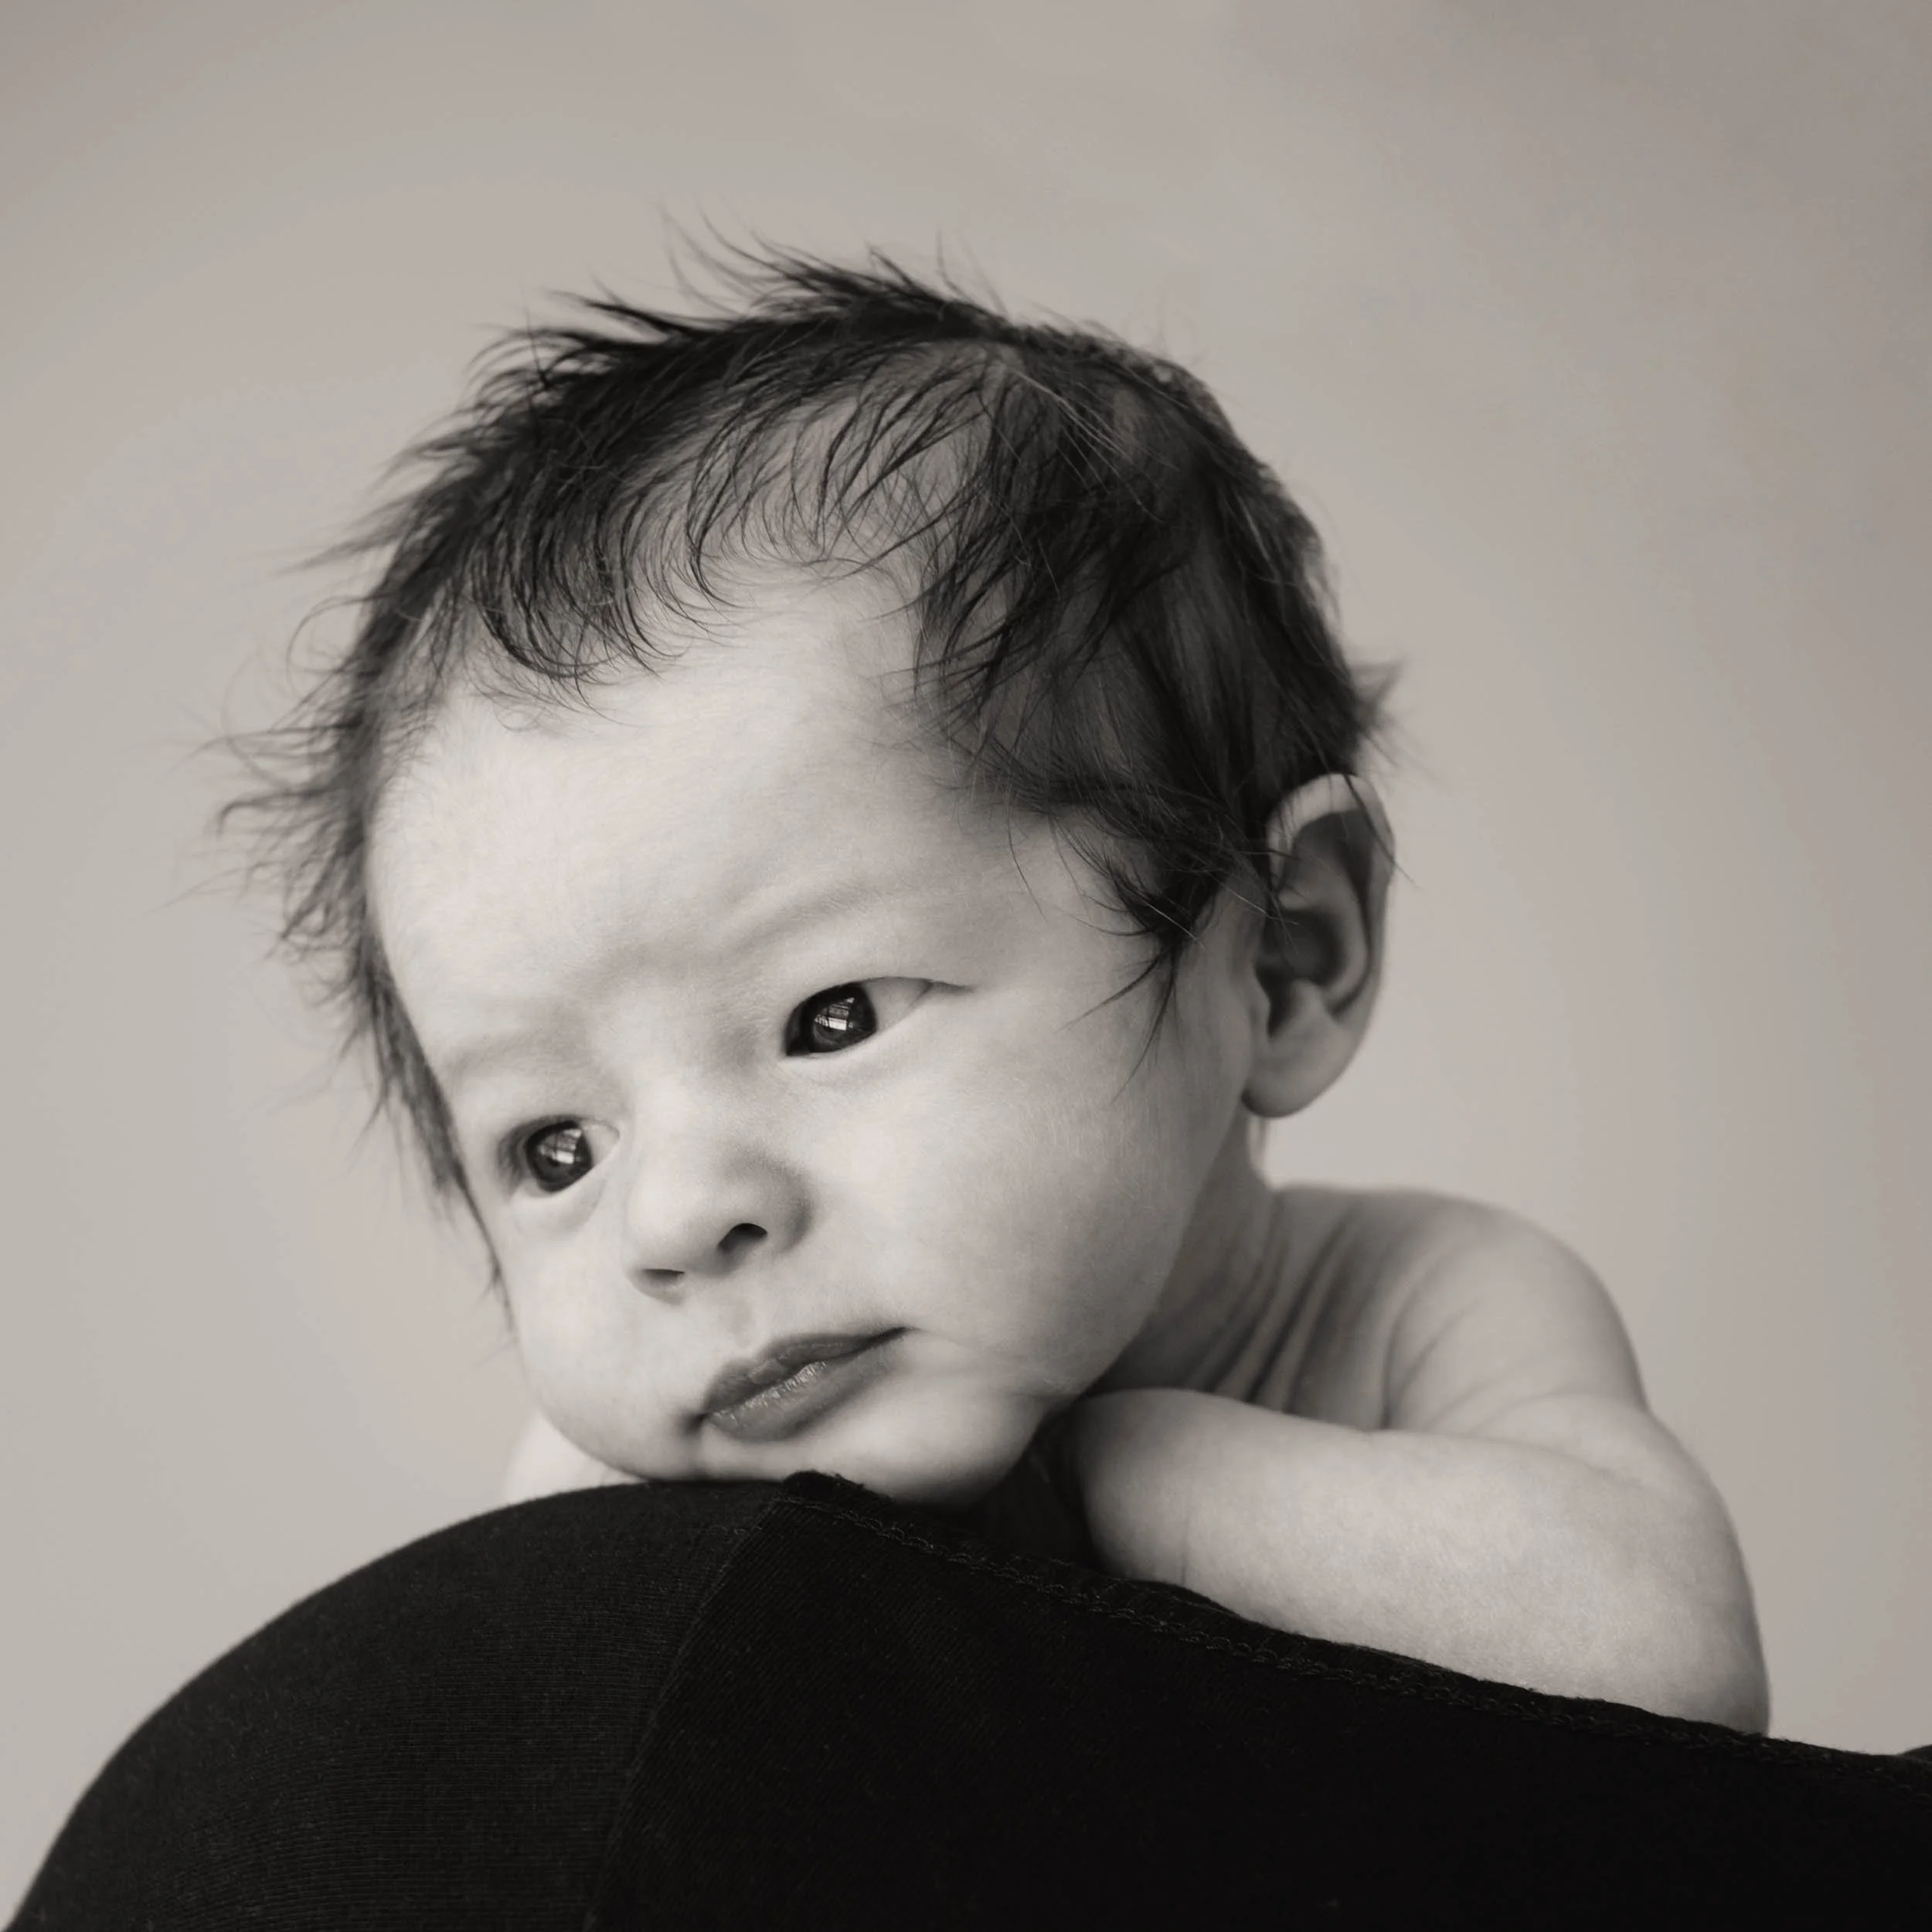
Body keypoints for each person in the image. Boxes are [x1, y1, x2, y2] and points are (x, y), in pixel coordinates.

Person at [226, 248, 1764, 1730]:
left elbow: (1662, 1656)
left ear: (1282, 955)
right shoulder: (614, 1493)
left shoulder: (1405, 1303)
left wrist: (1115, 1483)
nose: (676, 1218)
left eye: (830, 1018)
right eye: (555, 1146)